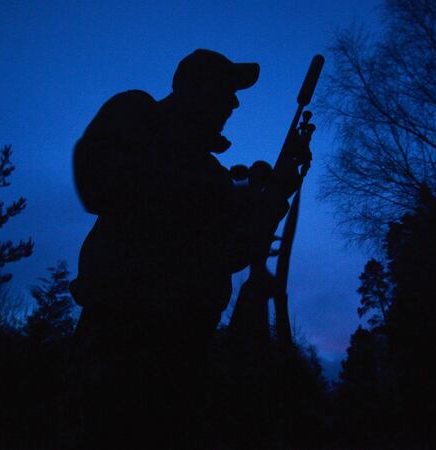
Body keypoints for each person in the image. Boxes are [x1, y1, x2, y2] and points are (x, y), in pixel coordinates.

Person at [67, 49, 303, 447]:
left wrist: (275, 197)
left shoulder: (211, 174)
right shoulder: (139, 116)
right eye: (224, 90)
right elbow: (100, 185)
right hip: (122, 345)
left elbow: (231, 254)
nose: (234, 102)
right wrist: (229, 196)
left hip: (186, 353)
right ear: (193, 89)